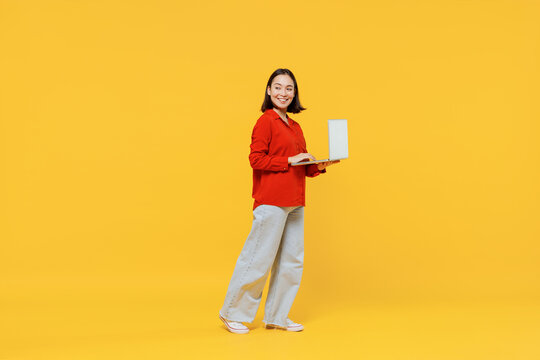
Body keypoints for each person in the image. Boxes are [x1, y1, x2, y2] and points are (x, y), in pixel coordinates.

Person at [218, 68, 339, 334]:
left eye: (289, 88)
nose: (283, 93)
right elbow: (256, 159)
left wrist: (320, 164)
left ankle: (277, 316)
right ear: (269, 91)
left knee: (291, 261)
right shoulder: (266, 121)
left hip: (295, 201)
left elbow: (302, 165)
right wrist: (288, 160)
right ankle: (232, 313)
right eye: (278, 87)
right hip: (271, 200)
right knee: (258, 258)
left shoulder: (295, 126)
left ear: (294, 94)